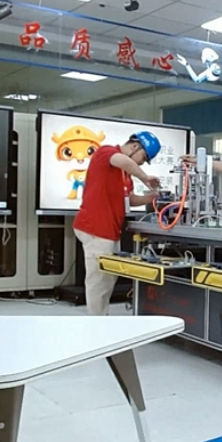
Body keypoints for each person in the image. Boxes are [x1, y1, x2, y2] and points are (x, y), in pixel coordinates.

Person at [72, 131, 161, 316]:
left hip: (110, 230)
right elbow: (123, 160)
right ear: (135, 146)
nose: (141, 163)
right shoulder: (106, 152)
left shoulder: (125, 175)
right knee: (99, 283)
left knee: (107, 281)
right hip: (95, 228)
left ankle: (102, 319)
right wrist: (145, 177)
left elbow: (129, 200)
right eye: (143, 158)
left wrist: (150, 197)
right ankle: (96, 324)